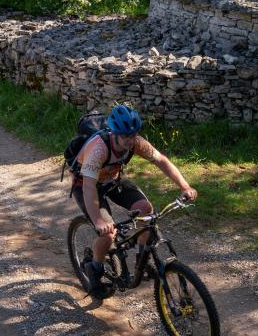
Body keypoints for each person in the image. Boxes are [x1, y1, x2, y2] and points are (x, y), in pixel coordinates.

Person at [71, 104, 197, 299]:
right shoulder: (98, 149)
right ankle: (94, 269)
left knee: (146, 210)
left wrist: (185, 186)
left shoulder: (136, 142)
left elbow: (161, 160)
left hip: (112, 180)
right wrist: (98, 221)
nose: (131, 141)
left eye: (134, 135)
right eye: (126, 136)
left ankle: (142, 260)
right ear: (115, 133)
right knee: (108, 235)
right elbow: (88, 188)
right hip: (86, 186)